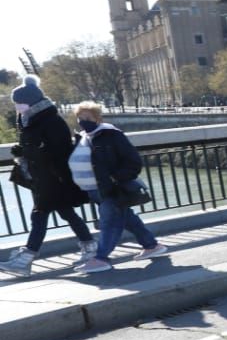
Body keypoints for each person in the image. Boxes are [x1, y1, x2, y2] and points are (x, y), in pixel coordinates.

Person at [0, 76, 96, 277]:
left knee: (39, 214)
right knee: (66, 212)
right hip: (44, 177)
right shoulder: (31, 120)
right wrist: (23, 151)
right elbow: (37, 146)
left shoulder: (50, 121)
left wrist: (29, 152)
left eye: (18, 102)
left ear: (30, 102)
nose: (16, 107)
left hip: (53, 177)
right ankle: (90, 247)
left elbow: (60, 151)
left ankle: (26, 259)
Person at [71, 101, 168, 273]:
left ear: (98, 118)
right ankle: (152, 245)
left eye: (87, 117)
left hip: (112, 190)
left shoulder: (111, 135)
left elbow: (134, 162)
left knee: (109, 222)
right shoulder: (83, 138)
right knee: (128, 219)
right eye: (79, 117)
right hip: (95, 191)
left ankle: (101, 258)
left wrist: (114, 178)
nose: (82, 121)